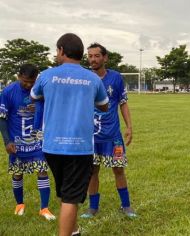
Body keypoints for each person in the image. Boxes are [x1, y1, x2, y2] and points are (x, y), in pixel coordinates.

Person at [31, 33, 109, 236]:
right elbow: (104, 105)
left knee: (66, 192)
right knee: (70, 198)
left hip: (51, 147)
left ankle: (73, 230)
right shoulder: (92, 78)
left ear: (62, 51)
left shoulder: (46, 76)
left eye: (57, 50)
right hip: (79, 148)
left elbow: (34, 96)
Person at [80, 43, 136, 219]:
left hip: (113, 136)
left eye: (96, 56)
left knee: (118, 169)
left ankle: (126, 206)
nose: (93, 59)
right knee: (92, 171)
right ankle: (92, 208)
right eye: (90, 56)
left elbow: (123, 103)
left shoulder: (116, 78)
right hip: (92, 137)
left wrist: (129, 126)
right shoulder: (85, 78)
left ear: (105, 58)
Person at [0, 64, 55, 220]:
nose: (29, 85)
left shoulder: (41, 91)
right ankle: (20, 204)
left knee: (42, 170)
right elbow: (2, 118)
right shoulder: (8, 92)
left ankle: (44, 208)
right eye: (25, 81)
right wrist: (7, 141)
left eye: (32, 81)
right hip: (17, 141)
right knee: (17, 173)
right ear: (19, 76)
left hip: (37, 139)